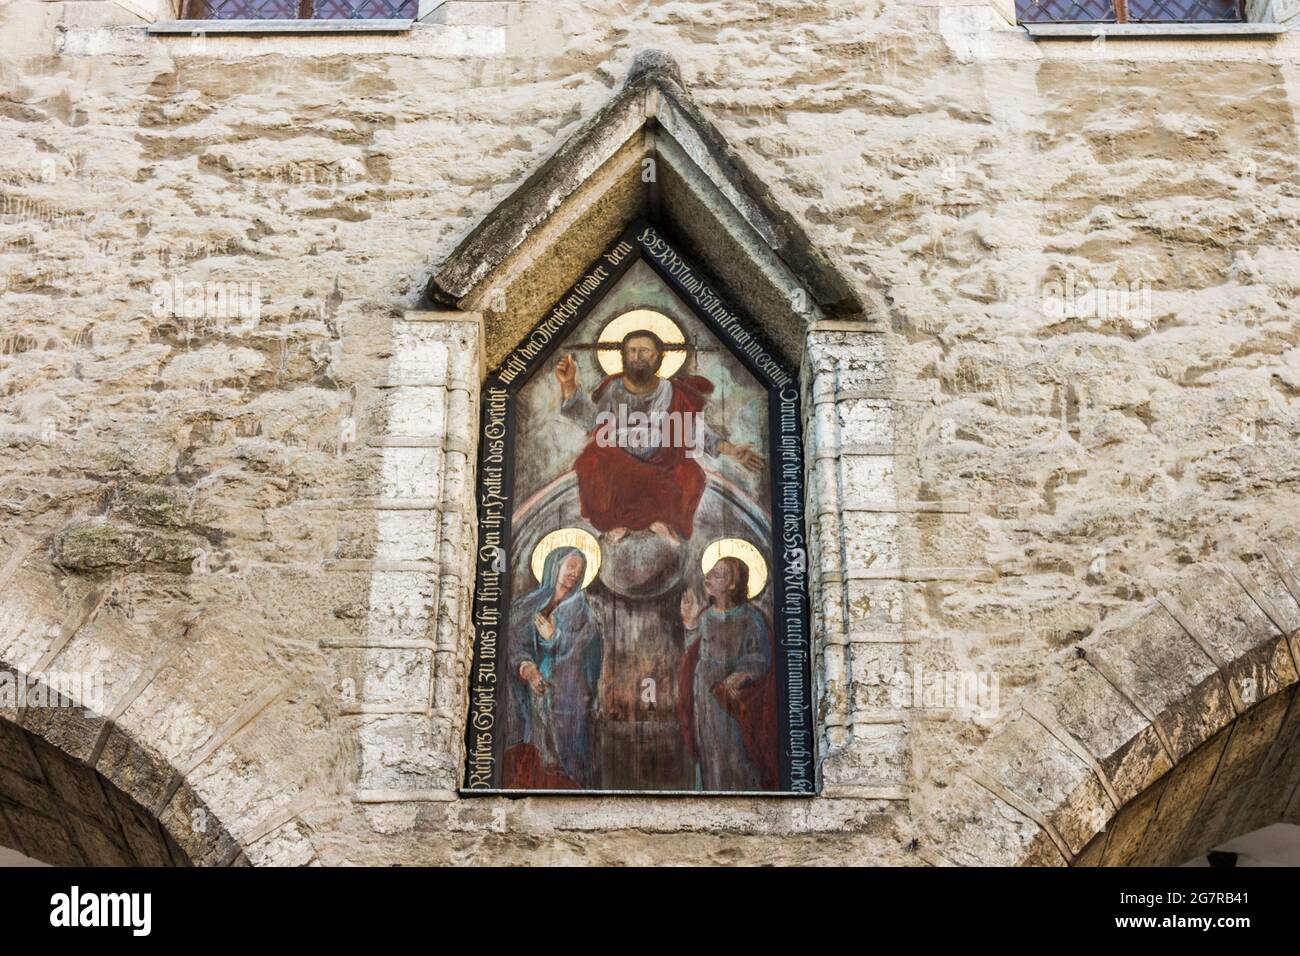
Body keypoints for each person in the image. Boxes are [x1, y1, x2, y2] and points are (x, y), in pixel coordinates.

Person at [555, 330, 763, 545]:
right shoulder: (613, 389)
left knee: (691, 475)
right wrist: (568, 384)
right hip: (617, 461)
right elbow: (594, 421)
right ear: (624, 357)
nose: (637, 358)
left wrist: (730, 450)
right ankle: (616, 523)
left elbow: (694, 429)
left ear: (659, 357)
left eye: (645, 351)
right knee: (590, 460)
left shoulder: (673, 392)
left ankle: (662, 522)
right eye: (632, 351)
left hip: (662, 461)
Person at [504, 547, 603, 789]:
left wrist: (555, 637)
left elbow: (585, 649)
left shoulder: (581, 610)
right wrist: (527, 668)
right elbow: (515, 644)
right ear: (554, 566)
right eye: (570, 566)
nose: (574, 573)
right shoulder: (527, 605)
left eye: (579, 569)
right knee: (537, 754)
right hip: (532, 695)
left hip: (569, 698)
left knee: (567, 760)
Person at [676, 556, 778, 791]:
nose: (708, 577)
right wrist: (690, 624)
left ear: (732, 585)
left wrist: (737, 677)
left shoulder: (750, 618)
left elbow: (759, 656)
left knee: (735, 751)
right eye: (709, 572)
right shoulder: (705, 616)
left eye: (717, 574)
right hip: (704, 695)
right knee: (709, 751)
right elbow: (692, 653)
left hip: (732, 699)